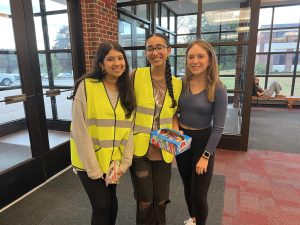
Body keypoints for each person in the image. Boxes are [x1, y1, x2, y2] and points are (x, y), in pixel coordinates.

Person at [70, 42, 135, 225]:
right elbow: (79, 130)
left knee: (112, 204)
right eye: (110, 59)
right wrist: (93, 169)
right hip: (88, 162)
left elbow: (129, 130)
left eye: (120, 58)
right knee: (101, 205)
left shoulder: (127, 90)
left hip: (113, 162)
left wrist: (125, 162)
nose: (117, 63)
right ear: (101, 64)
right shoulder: (87, 86)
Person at [129, 33, 182, 225]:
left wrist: (176, 138)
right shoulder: (135, 76)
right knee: (145, 201)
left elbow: (174, 115)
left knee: (160, 200)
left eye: (159, 47)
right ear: (146, 53)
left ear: (168, 51)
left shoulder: (177, 83)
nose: (155, 52)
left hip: (163, 149)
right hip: (139, 150)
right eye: (150, 48)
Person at [176, 40, 227, 225]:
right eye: (191, 57)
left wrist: (206, 155)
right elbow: (173, 111)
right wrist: (176, 132)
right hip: (182, 140)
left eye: (200, 56)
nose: (195, 61)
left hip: (203, 142)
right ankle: (194, 219)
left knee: (199, 193)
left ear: (209, 60)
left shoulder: (218, 88)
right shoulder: (181, 83)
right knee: (187, 187)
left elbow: (219, 127)